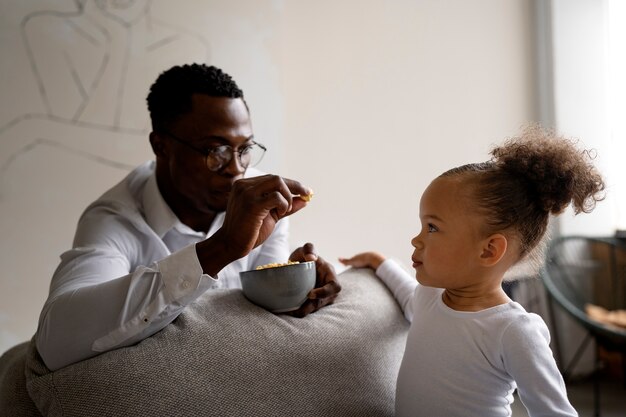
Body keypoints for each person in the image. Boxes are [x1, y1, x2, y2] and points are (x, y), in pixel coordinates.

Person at [35, 63, 341, 371]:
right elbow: (55, 341)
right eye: (216, 150)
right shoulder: (115, 220)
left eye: (245, 148)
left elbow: (264, 313)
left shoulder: (262, 200)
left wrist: (298, 283)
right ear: (161, 147)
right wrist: (221, 248)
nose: (236, 168)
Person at [339, 125, 605, 417]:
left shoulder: (513, 331)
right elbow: (406, 295)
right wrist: (380, 263)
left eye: (432, 227)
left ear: (489, 250)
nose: (416, 239)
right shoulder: (430, 298)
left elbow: (554, 412)